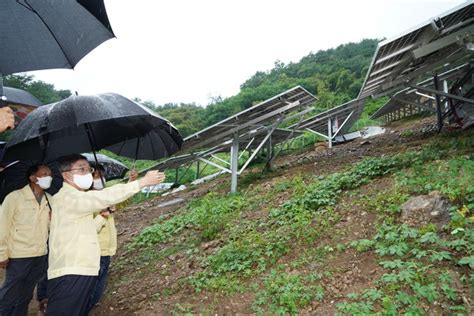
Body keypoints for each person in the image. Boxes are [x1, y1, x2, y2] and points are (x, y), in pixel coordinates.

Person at [46, 154, 165, 316]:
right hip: (72, 270)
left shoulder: (75, 198)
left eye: (89, 169)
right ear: (66, 175)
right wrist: (141, 182)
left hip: (80, 268)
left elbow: (87, 225)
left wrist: (102, 216)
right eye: (82, 169)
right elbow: (103, 196)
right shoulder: (68, 197)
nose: (88, 173)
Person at [0, 164, 52, 315]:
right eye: (44, 174)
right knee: (10, 293)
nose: (49, 177)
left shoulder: (50, 199)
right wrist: (2, 254)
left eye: (49, 174)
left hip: (40, 254)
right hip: (19, 255)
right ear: (33, 178)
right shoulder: (14, 198)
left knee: (26, 294)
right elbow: (2, 227)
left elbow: (51, 227)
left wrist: (53, 220)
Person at [87, 166, 138, 311]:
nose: (100, 178)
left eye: (102, 175)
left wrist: (131, 182)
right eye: (97, 175)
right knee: (88, 291)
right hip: (94, 250)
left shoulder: (105, 194)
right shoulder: (85, 199)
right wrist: (103, 214)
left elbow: (122, 200)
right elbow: (88, 228)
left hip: (107, 249)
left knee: (97, 291)